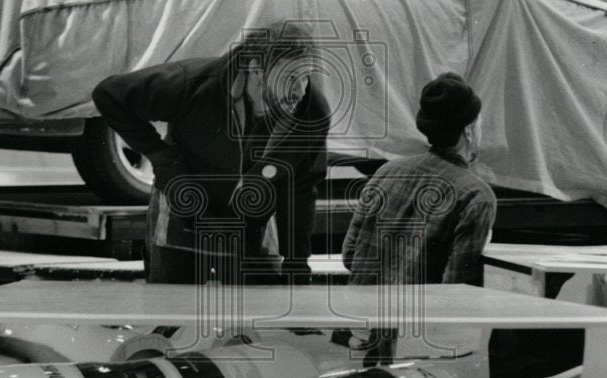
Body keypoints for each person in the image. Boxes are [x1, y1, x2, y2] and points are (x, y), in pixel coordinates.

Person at [92, 21, 330, 285]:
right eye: (289, 78)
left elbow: (301, 189)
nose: (299, 90)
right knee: (173, 309)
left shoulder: (311, 113)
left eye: (305, 76)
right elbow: (109, 94)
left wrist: (297, 263)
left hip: (251, 218)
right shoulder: (193, 84)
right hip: (184, 207)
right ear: (256, 69)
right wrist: (161, 158)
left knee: (259, 307)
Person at [342, 72, 496, 285]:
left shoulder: (386, 172)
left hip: (363, 314)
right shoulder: (476, 198)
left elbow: (350, 256)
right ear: (468, 130)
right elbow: (459, 287)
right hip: (421, 317)